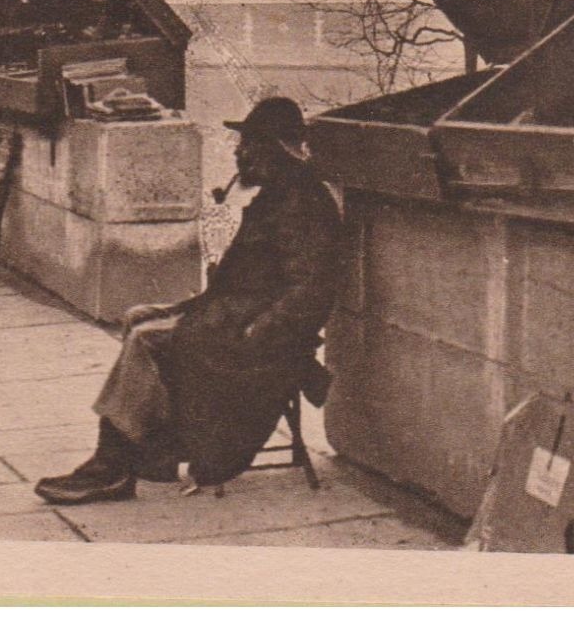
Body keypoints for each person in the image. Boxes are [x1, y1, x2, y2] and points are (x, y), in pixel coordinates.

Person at [34, 97, 345, 505]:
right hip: (232, 317)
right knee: (138, 317)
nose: (238, 151)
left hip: (254, 339)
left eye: (248, 142)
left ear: (273, 148)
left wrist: (256, 332)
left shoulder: (301, 204)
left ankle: (112, 467)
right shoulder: (279, 194)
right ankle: (141, 454)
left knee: (147, 340)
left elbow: (311, 290)